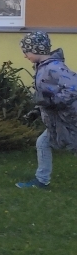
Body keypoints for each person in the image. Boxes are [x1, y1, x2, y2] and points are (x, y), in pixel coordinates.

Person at [17, 31, 77, 189]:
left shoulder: (54, 67)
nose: (25, 56)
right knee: (43, 142)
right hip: (57, 119)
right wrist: (38, 110)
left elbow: (74, 87)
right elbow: (46, 95)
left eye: (26, 51)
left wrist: (53, 102)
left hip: (70, 118)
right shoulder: (42, 67)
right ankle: (42, 181)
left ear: (36, 49)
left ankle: (42, 181)